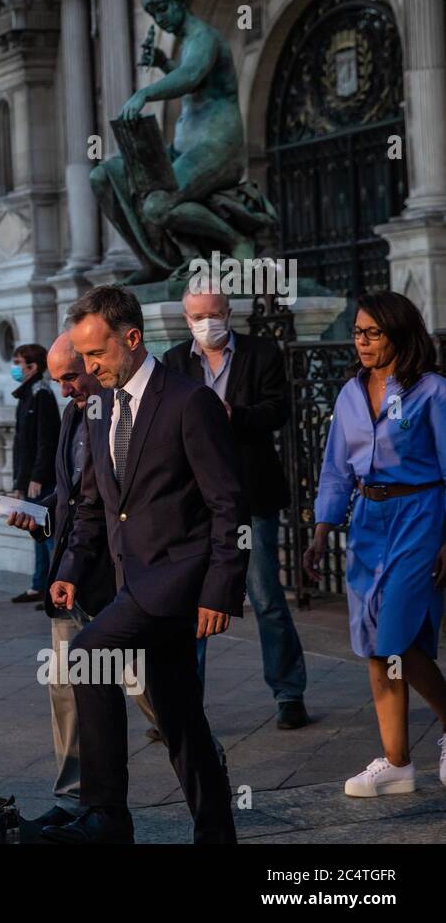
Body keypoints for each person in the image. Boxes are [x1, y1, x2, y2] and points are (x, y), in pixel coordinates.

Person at [44, 284, 247, 844]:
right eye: (83, 356)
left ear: (131, 339)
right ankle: (216, 831)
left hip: (177, 583)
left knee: (87, 656)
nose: (88, 367)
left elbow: (228, 504)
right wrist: (67, 568)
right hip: (128, 582)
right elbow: (93, 503)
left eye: (97, 354)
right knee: (179, 714)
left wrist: (220, 591)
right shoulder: (98, 409)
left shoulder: (188, 401)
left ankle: (106, 812)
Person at [5, 333, 161, 833]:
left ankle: (203, 764)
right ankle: (76, 800)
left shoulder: (123, 413)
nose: (66, 388)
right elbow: (74, 499)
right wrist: (40, 512)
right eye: (58, 381)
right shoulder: (73, 413)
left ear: (96, 363)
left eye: (72, 375)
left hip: (115, 576)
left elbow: (105, 505)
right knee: (67, 689)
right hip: (72, 574)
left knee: (147, 687)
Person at [304, 291, 446, 797]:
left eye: (372, 333)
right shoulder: (349, 393)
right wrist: (322, 530)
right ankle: (397, 762)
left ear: (399, 335)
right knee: (372, 644)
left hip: (420, 514)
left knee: (397, 637)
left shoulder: (432, 391)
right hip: (367, 520)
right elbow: (335, 469)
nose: (361, 341)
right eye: (357, 332)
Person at [163, 282, 309, 730]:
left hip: (252, 496)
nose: (208, 323)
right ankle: (183, 704)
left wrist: (233, 415)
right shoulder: (173, 362)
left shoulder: (260, 353)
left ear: (229, 313)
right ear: (186, 320)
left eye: (215, 313)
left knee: (266, 598)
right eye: (198, 316)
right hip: (196, 503)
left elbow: (278, 410)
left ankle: (289, 694)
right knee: (191, 605)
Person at [10, 342, 61, 606]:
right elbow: (21, 445)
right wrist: (19, 482)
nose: (15, 368)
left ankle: (56, 588)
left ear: (32, 367)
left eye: (18, 363)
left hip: (41, 480)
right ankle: (39, 584)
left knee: (49, 533)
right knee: (36, 534)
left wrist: (37, 476)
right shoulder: (26, 394)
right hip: (28, 479)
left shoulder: (42, 394)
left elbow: (46, 440)